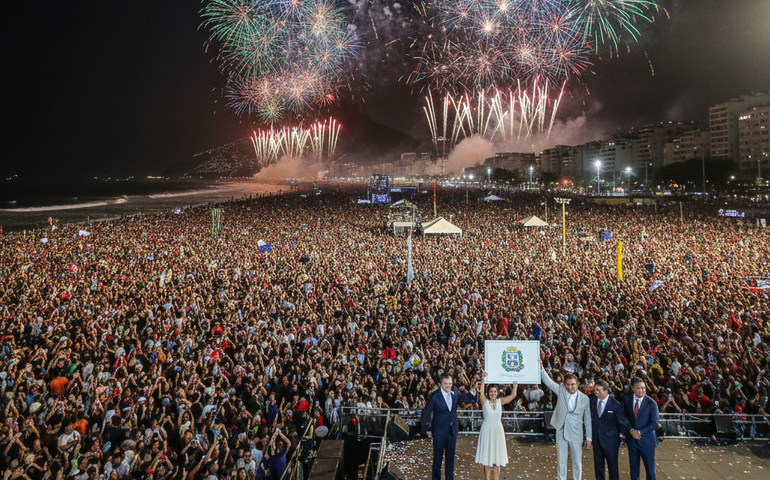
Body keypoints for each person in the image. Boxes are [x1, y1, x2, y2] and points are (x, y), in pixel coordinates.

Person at [540, 361, 592, 480]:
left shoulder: (585, 399)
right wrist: (541, 368)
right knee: (561, 462)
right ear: (564, 384)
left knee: (577, 463)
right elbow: (548, 382)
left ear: (577, 384)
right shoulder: (561, 390)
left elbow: (587, 419)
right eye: (567, 384)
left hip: (576, 434)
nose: (570, 387)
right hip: (561, 430)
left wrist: (589, 437)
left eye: (572, 384)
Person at [421, 374, 477, 480]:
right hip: (439, 432)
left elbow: (464, 398)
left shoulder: (455, 390)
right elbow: (425, 413)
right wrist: (427, 428)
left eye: (450, 383)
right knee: (437, 459)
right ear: (441, 384)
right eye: (445, 383)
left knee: (450, 459)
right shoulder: (435, 396)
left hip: (452, 431)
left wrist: (472, 393)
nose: (448, 386)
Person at [475, 372, 518, 480]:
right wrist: (483, 379)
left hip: (497, 431)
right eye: (491, 391)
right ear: (488, 393)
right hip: (487, 431)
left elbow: (513, 396)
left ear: (497, 392)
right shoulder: (484, 402)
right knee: (487, 459)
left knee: (497, 458)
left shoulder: (500, 401)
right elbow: (481, 393)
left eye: (494, 391)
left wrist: (515, 385)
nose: (493, 393)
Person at [590, 379, 631, 480]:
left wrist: (626, 433)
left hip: (611, 442)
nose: (595, 392)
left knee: (613, 468)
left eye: (598, 390)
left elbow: (623, 422)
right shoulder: (592, 400)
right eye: (595, 389)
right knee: (598, 467)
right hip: (597, 440)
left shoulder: (615, 405)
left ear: (606, 391)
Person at [624, 377, 659, 480]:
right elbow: (623, 418)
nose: (641, 390)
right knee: (634, 470)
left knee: (650, 471)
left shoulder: (652, 403)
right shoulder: (627, 400)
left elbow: (654, 423)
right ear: (633, 388)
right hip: (632, 441)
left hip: (647, 441)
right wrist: (631, 431)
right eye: (638, 388)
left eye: (643, 388)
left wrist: (639, 432)